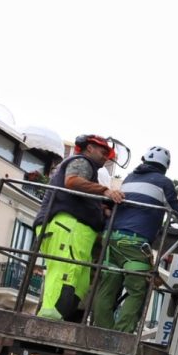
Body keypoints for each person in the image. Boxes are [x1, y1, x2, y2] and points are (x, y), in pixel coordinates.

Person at [91, 146, 178, 332]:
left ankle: (102, 332)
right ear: (165, 166)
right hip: (132, 242)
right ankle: (119, 335)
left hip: (110, 239)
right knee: (138, 290)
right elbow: (177, 210)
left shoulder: (130, 178)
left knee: (107, 289)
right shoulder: (164, 182)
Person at [33, 135, 124, 321]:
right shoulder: (82, 162)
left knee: (78, 282)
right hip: (67, 227)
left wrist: (102, 209)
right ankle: (47, 322)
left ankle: (56, 319)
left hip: (76, 232)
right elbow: (72, 182)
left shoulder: (91, 173)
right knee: (64, 274)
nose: (106, 156)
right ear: (89, 148)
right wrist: (105, 191)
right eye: (103, 151)